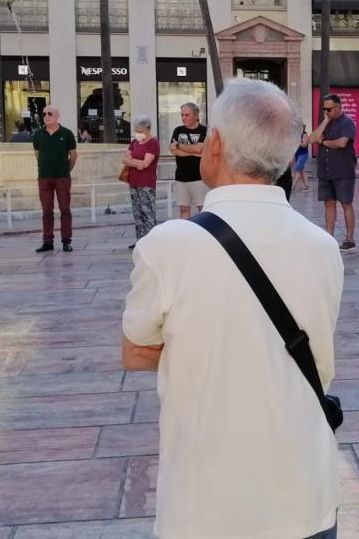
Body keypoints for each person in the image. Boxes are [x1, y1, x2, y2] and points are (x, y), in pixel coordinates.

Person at [121, 77, 341, 539]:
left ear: (214, 142)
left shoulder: (166, 245)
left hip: (206, 504)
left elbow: (136, 350)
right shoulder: (322, 246)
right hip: (304, 495)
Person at [308, 93, 358, 251]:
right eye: (324, 108)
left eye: (329, 109)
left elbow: (342, 143)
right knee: (328, 203)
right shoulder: (326, 121)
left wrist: (323, 142)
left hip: (343, 170)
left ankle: (349, 240)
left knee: (346, 204)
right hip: (325, 170)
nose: (326, 111)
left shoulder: (347, 122)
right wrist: (325, 121)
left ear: (338, 107)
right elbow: (311, 139)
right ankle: (329, 237)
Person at [33, 106, 77, 253]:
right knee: (46, 211)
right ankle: (47, 242)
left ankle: (66, 241)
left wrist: (65, 170)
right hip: (44, 177)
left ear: (57, 116)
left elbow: (73, 155)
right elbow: (37, 154)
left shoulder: (67, 133)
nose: (46, 116)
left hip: (62, 177)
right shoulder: (38, 134)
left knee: (65, 209)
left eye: (49, 113)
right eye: (44, 113)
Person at [121, 114, 159, 249]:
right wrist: (136, 163)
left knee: (147, 212)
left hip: (146, 183)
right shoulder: (134, 142)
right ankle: (140, 240)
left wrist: (133, 162)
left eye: (140, 131)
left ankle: (151, 241)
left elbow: (145, 164)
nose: (138, 133)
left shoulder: (153, 143)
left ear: (148, 129)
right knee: (137, 212)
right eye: (136, 130)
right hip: (134, 182)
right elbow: (124, 158)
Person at [170, 102, 209, 219]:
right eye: (182, 115)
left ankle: (203, 233)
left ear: (196, 115)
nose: (183, 118)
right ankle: (184, 233)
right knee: (183, 208)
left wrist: (179, 146)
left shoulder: (204, 130)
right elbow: (172, 149)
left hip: (199, 177)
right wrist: (193, 151)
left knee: (202, 209)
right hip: (181, 177)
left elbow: (200, 149)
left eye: (187, 115)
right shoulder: (178, 130)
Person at [293, 124, 311, 190]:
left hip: (303, 154)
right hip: (297, 154)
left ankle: (293, 185)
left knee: (297, 169)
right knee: (301, 170)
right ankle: (306, 185)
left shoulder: (305, 134)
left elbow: (304, 145)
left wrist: (297, 142)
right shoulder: (297, 135)